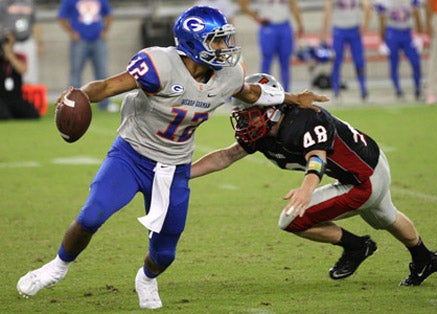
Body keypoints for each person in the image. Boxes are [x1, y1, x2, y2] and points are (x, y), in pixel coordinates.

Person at [16, 6, 328, 310]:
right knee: (92, 216)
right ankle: (57, 267)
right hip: (132, 154)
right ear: (194, 43)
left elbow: (249, 93)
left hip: (173, 166)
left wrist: (291, 98)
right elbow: (109, 85)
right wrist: (79, 94)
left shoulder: (228, 75)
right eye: (216, 40)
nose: (225, 47)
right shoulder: (159, 64)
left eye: (225, 39)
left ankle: (146, 279)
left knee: (165, 253)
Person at [191, 72, 437, 286]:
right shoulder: (266, 131)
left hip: (363, 178)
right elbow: (227, 156)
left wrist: (306, 187)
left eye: (251, 114)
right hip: (368, 166)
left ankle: (357, 246)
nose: (245, 120)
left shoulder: (304, 119)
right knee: (385, 216)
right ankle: (424, 258)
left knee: (291, 219)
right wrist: (184, 173)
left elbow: (317, 156)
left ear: (272, 110)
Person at [57, 0, 116, 112]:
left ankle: (105, 104)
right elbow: (61, 17)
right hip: (80, 41)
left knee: (102, 73)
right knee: (76, 73)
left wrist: (105, 30)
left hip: (98, 40)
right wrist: (72, 32)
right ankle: (72, 104)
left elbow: (108, 14)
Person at [239, 0, 305, 92]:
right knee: (267, 61)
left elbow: (294, 6)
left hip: (284, 25)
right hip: (268, 26)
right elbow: (242, 4)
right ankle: (263, 92)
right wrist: (256, 17)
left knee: (285, 61)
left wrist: (300, 25)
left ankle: (286, 92)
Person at [321, 0, 371, 101]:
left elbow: (367, 7)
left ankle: (360, 90)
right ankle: (359, 90)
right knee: (338, 62)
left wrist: (324, 31)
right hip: (341, 30)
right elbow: (328, 10)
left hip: (350, 30)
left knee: (356, 61)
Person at [374, 0, 423, 100]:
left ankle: (418, 88)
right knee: (394, 63)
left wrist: (419, 34)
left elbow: (417, 14)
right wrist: (382, 40)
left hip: (407, 33)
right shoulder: (385, 2)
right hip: (392, 33)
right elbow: (382, 19)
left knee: (415, 62)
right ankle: (398, 90)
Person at [1, 0, 43, 84]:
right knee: (13, 71)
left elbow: (35, 23)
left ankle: (30, 94)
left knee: (31, 72)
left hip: (27, 40)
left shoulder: (29, 2)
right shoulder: (3, 3)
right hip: (12, 43)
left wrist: (39, 43)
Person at [0, 31, 40, 119]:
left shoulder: (19, 56)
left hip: (16, 98)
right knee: (4, 115)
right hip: (2, 98)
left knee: (33, 114)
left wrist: (9, 55)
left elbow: (22, 70)